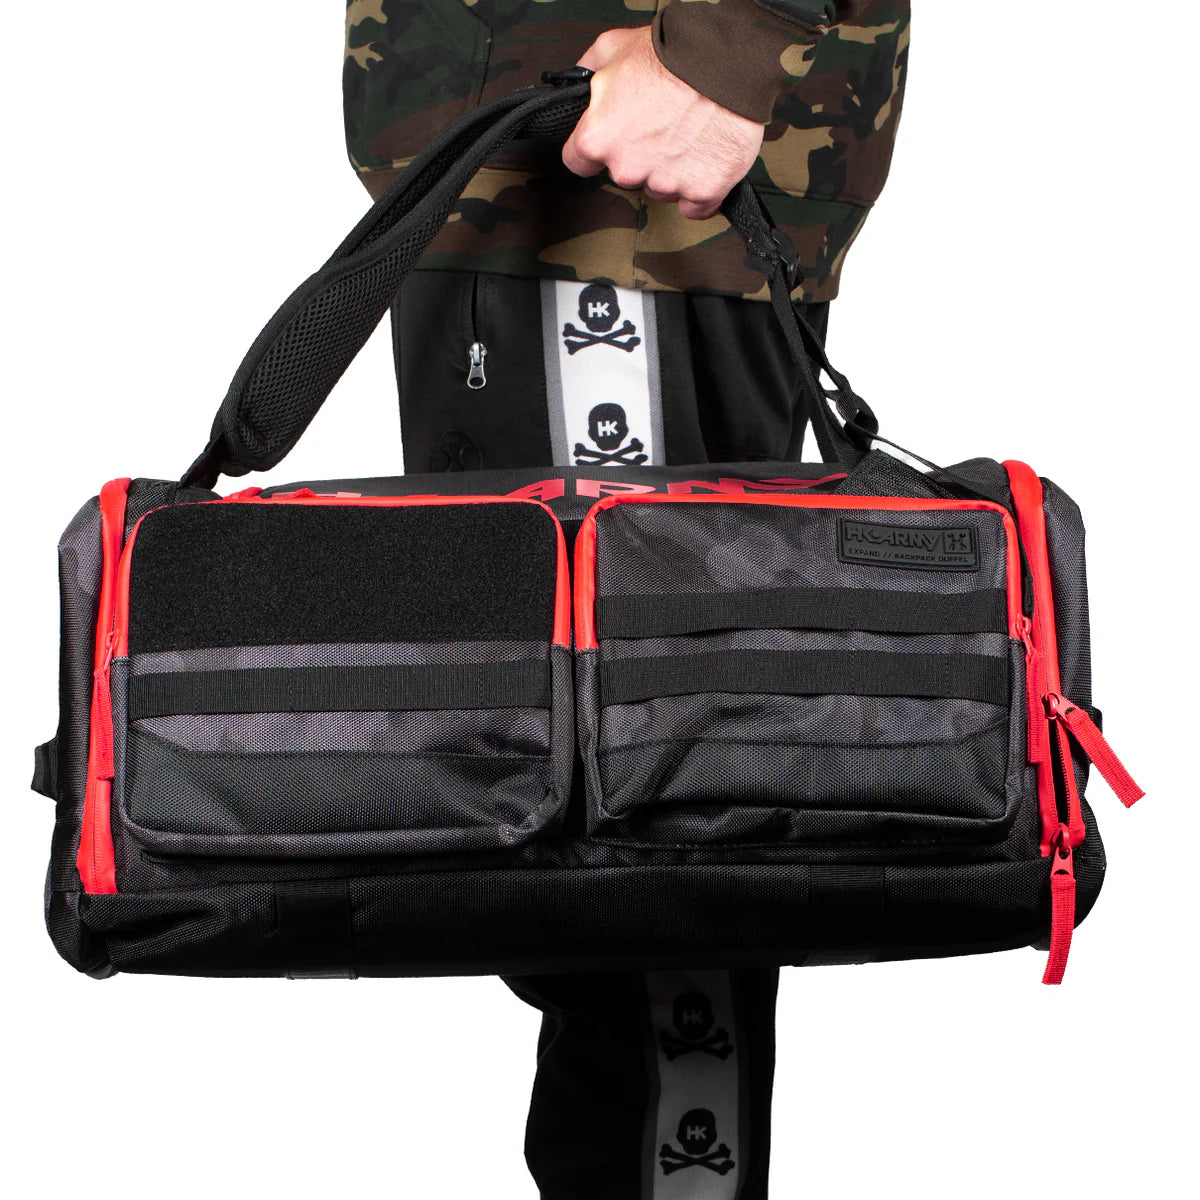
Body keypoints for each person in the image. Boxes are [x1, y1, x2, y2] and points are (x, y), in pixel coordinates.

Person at [342, 2, 909, 1195]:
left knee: (648, 850)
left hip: (614, 186)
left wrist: (727, 43)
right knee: (559, 839)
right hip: (520, 166)